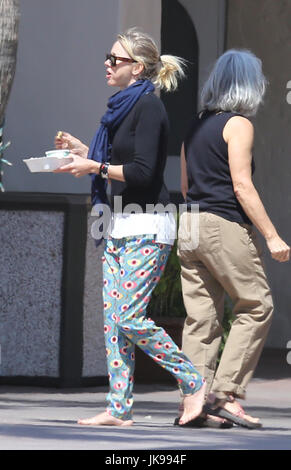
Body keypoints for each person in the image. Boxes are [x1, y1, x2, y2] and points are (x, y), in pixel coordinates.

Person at [54, 27, 206, 426]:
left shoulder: (149, 108)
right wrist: (83, 152)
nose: (107, 63)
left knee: (127, 316)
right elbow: (115, 161)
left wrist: (96, 166)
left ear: (137, 68)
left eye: (115, 59)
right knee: (113, 322)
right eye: (108, 57)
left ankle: (192, 381)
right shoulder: (118, 109)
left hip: (148, 226)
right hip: (117, 224)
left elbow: (141, 172)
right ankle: (119, 408)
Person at [178, 49, 290, 429]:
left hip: (190, 224)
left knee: (201, 319)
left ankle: (192, 403)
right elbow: (242, 186)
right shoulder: (239, 124)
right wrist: (272, 236)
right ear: (249, 85)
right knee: (256, 306)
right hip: (221, 224)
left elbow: (184, 185)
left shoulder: (195, 124)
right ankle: (224, 395)